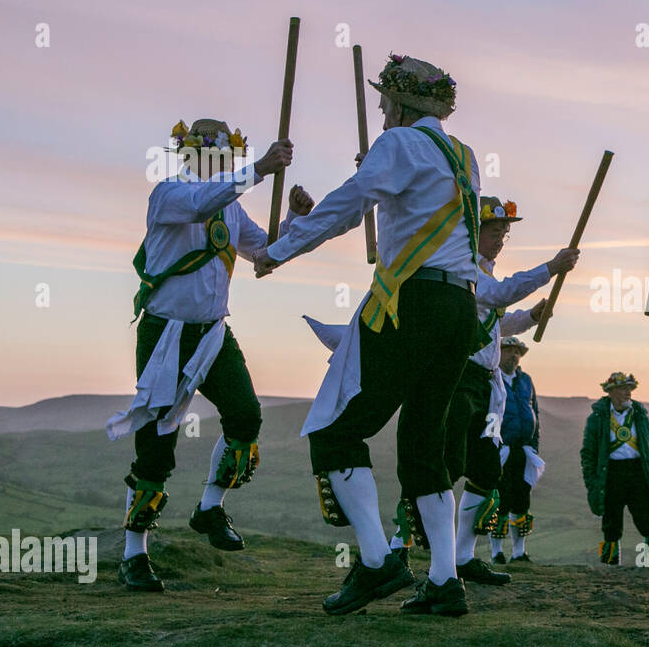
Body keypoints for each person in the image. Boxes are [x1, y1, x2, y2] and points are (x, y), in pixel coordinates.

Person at [256, 53, 481, 617]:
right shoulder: (463, 157)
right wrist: (377, 175)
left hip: (414, 303)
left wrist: (279, 250)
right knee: (424, 441)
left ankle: (380, 563)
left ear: (402, 104)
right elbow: (410, 203)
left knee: (336, 429)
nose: (380, 108)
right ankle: (445, 581)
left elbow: (350, 207)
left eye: (386, 100)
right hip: (461, 308)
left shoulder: (397, 145)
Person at [106, 118, 300, 592]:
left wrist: (295, 219)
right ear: (188, 156)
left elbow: (269, 255)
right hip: (165, 334)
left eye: (226, 158)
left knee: (245, 415)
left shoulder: (232, 212)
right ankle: (134, 555)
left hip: (213, 333)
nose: (219, 165)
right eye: (210, 156)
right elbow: (199, 205)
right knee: (155, 447)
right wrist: (259, 169)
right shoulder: (169, 194)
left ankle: (210, 507)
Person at [424, 196, 576, 585]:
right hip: (459, 379)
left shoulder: (486, 272)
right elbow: (498, 294)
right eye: (495, 232)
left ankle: (463, 557)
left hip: (486, 389)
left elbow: (496, 326)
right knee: (448, 463)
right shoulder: (463, 266)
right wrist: (551, 268)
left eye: (504, 234)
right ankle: (402, 545)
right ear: (475, 231)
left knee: (486, 469)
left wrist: (530, 318)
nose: (501, 240)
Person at [581, 372, 649, 566]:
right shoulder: (597, 418)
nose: (628, 392)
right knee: (611, 521)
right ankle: (612, 567)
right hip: (611, 473)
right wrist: (592, 481)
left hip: (638, 471)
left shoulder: (640, 415)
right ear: (610, 392)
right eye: (623, 389)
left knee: (645, 519)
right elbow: (588, 452)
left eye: (630, 388)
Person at [493, 336, 542, 564]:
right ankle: (496, 552)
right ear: (499, 352)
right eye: (509, 350)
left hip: (523, 449)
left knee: (522, 499)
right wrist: (494, 444)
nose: (514, 355)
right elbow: (490, 412)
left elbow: (535, 414)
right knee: (500, 499)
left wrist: (533, 445)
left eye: (517, 352)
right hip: (502, 448)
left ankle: (519, 552)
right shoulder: (492, 378)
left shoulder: (526, 381)